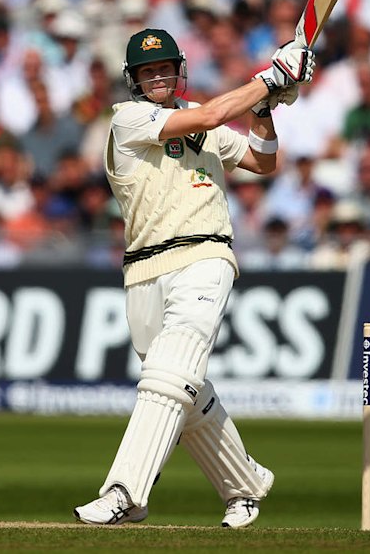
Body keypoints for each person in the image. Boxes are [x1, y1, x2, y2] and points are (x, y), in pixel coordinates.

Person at [74, 27, 314, 528]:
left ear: (178, 68)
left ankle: (126, 492)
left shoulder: (204, 121)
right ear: (135, 80)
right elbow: (207, 115)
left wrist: (265, 109)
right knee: (183, 389)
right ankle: (244, 486)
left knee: (167, 377)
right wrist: (269, 80)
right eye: (147, 71)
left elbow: (263, 161)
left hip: (206, 256)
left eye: (164, 67)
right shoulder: (130, 118)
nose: (158, 75)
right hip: (142, 269)